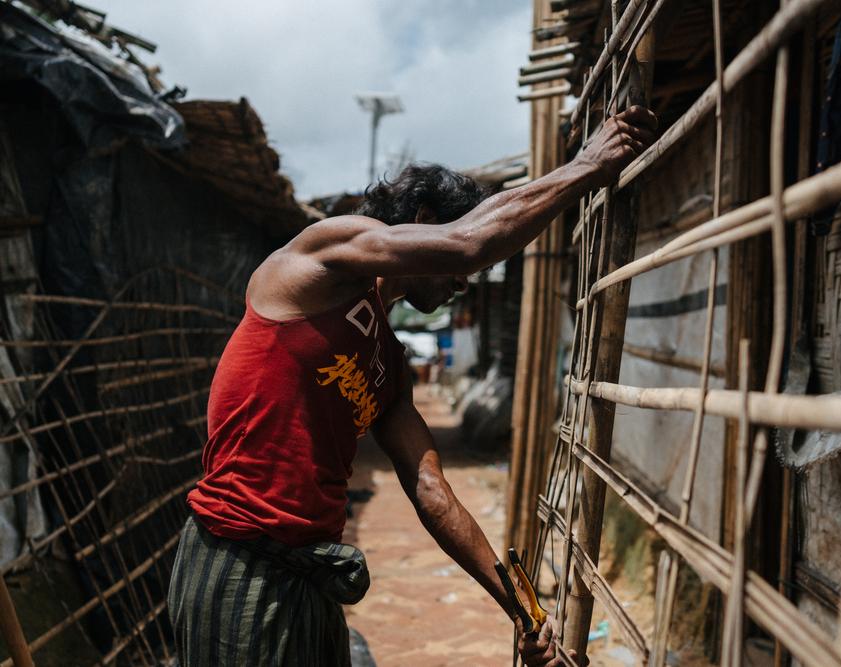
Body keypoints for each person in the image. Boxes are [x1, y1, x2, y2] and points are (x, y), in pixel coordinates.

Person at [167, 105, 657, 666]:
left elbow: (432, 492)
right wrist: (587, 167)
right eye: (453, 262)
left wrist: (522, 611)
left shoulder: (388, 365)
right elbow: (471, 244)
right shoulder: (327, 254)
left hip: (310, 574)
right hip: (239, 560)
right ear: (422, 220)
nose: (464, 282)